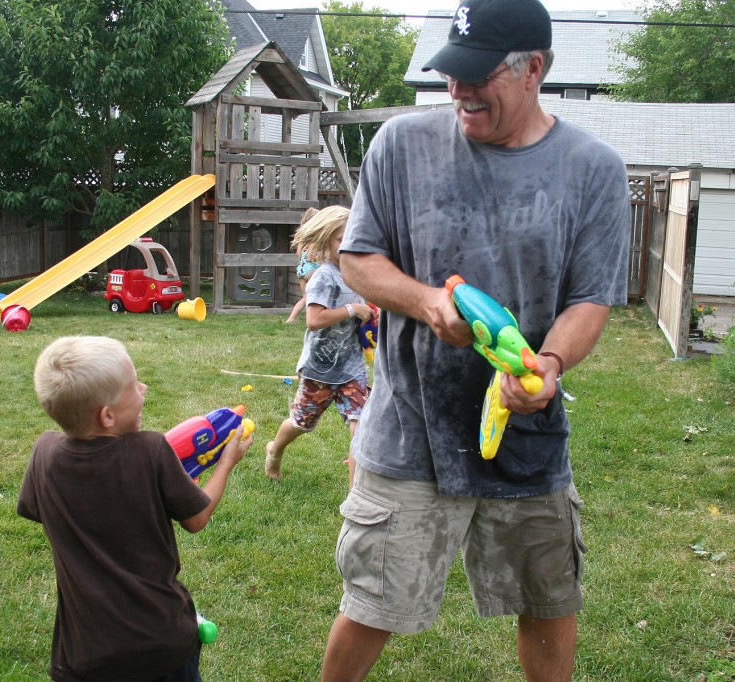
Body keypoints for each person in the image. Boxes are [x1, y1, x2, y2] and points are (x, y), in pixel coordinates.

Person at [320, 0, 631, 680]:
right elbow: (358, 259)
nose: (458, 90)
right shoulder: (401, 146)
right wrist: (430, 301)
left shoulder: (594, 170)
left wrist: (547, 364)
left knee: (548, 598)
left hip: (527, 431)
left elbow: (590, 299)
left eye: (477, 75)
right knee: (371, 600)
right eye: (451, 73)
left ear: (533, 70)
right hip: (410, 428)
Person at [17, 336, 252, 682]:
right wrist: (226, 462)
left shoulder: (44, 454)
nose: (143, 388)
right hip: (160, 641)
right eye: (133, 387)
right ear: (107, 415)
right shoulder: (151, 450)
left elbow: (42, 507)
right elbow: (197, 518)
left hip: (85, 652)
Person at [265, 205, 374, 488]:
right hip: (320, 369)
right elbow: (313, 319)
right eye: (341, 240)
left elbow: (367, 306)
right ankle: (275, 450)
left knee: (361, 427)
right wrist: (352, 309)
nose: (348, 244)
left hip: (352, 367)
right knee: (302, 422)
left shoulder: (356, 273)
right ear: (326, 242)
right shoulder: (324, 277)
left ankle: (355, 496)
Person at [285, 207, 321, 323]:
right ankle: (320, 316)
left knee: (306, 297)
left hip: (301, 269)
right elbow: (313, 256)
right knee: (324, 288)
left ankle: (291, 319)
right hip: (311, 269)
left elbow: (298, 254)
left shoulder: (301, 238)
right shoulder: (314, 238)